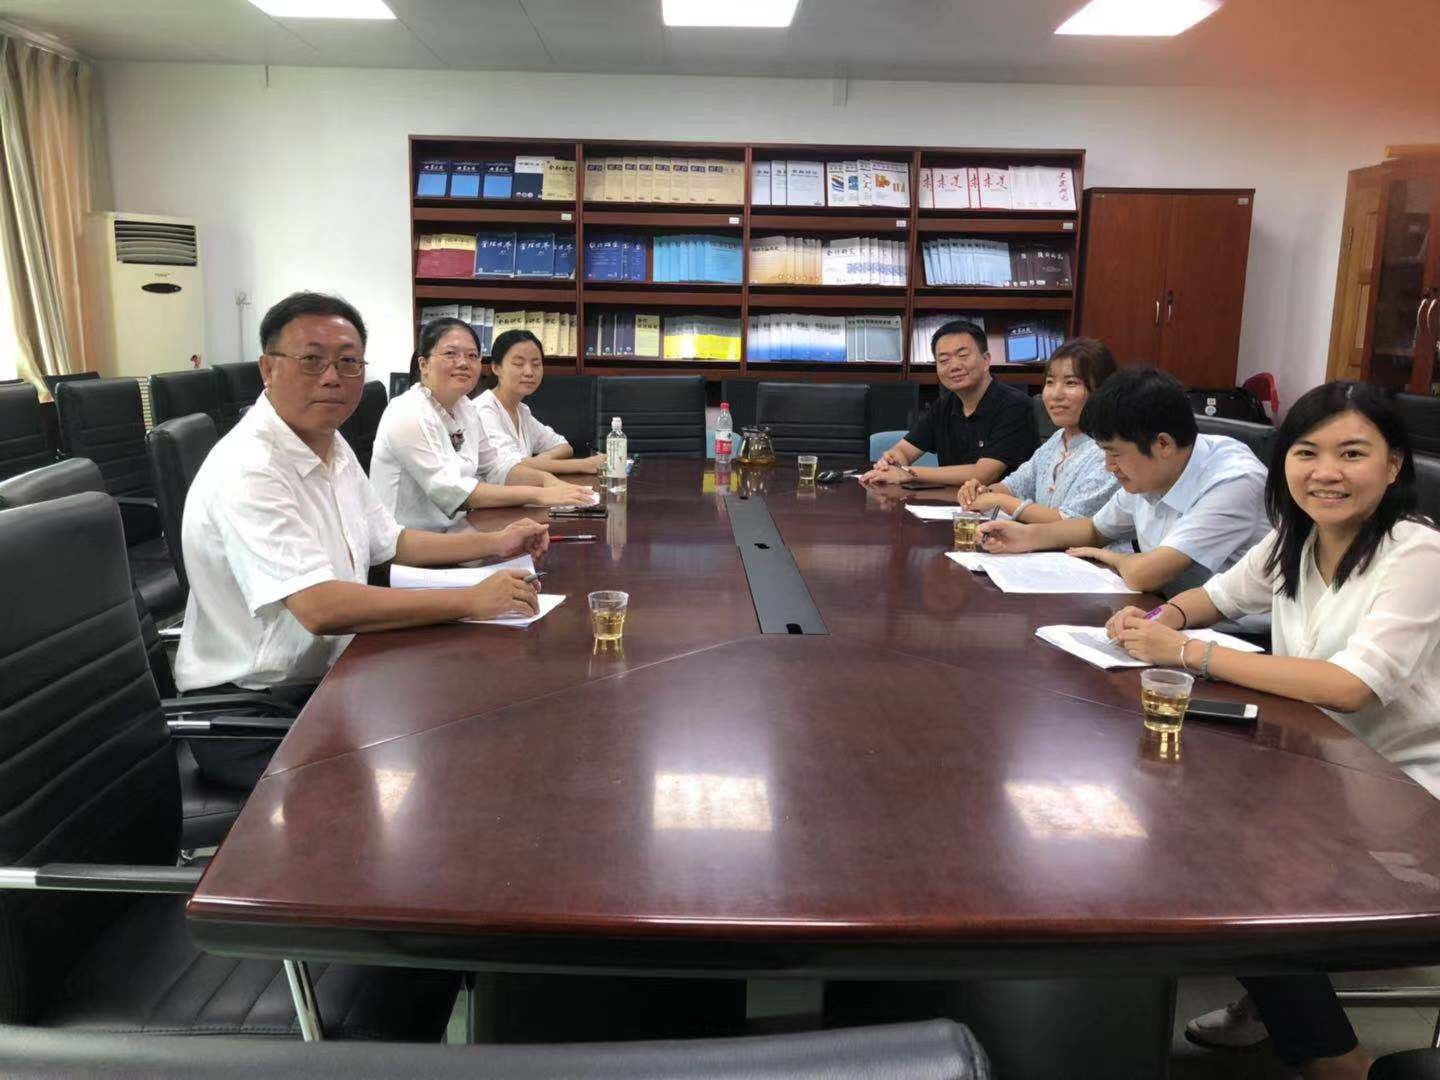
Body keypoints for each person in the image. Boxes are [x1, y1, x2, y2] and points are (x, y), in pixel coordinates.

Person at [1107, 381, 1440, 1080]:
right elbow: (1217, 596)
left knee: (1227, 856)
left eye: (1353, 453)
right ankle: (1276, 1000)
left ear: (1394, 465)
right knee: (1179, 817)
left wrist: (1190, 653)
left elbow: (1353, 685)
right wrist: (1160, 620)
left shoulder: (1417, 555)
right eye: (1306, 452)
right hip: (1320, 762)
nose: (1326, 472)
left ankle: (1330, 1053)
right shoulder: (1298, 537)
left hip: (1409, 787)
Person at [175, 293, 549, 787]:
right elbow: (321, 607)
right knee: (446, 771)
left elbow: (391, 542)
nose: (333, 377)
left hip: (331, 672)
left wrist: (496, 544)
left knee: (482, 720)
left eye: (349, 362)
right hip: (256, 712)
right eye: (312, 360)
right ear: (268, 368)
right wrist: (471, 599)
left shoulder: (330, 444)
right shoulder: (250, 467)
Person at [976, 367, 1269, 596]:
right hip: (1168, 611)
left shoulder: (1233, 481)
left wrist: (1112, 558)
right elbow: (1095, 529)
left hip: (1239, 637)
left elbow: (1147, 574)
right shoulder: (1153, 468)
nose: (1108, 466)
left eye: (1114, 454)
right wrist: (1026, 536)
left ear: (1163, 444)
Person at [371, 319, 595, 531]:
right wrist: (540, 494)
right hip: (409, 544)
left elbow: (497, 467)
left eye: (472, 356)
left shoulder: (465, 409)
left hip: (459, 529)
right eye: (450, 354)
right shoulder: (408, 412)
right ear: (424, 364)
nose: (463, 363)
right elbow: (452, 491)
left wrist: (548, 482)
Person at [956, 337, 1118, 523]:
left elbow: (1069, 521)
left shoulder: (1110, 450)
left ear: (1101, 390)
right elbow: (1015, 485)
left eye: (1071, 383)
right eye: (1050, 382)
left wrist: (1000, 500)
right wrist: (982, 491)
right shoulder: (1058, 439)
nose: (1056, 394)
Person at [860, 319, 1036, 487]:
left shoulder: (1015, 406)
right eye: (944, 360)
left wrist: (908, 473)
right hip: (954, 503)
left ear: (986, 360)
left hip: (1004, 506)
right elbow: (904, 451)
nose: (954, 366)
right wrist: (893, 460)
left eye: (963, 356)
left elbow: (983, 474)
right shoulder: (944, 406)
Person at [477, 329, 605, 477]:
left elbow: (563, 445)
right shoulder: (484, 409)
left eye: (536, 364)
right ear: (496, 368)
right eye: (519, 364)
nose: (529, 372)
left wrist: (540, 461)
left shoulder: (522, 410)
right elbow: (512, 466)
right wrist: (584, 464)